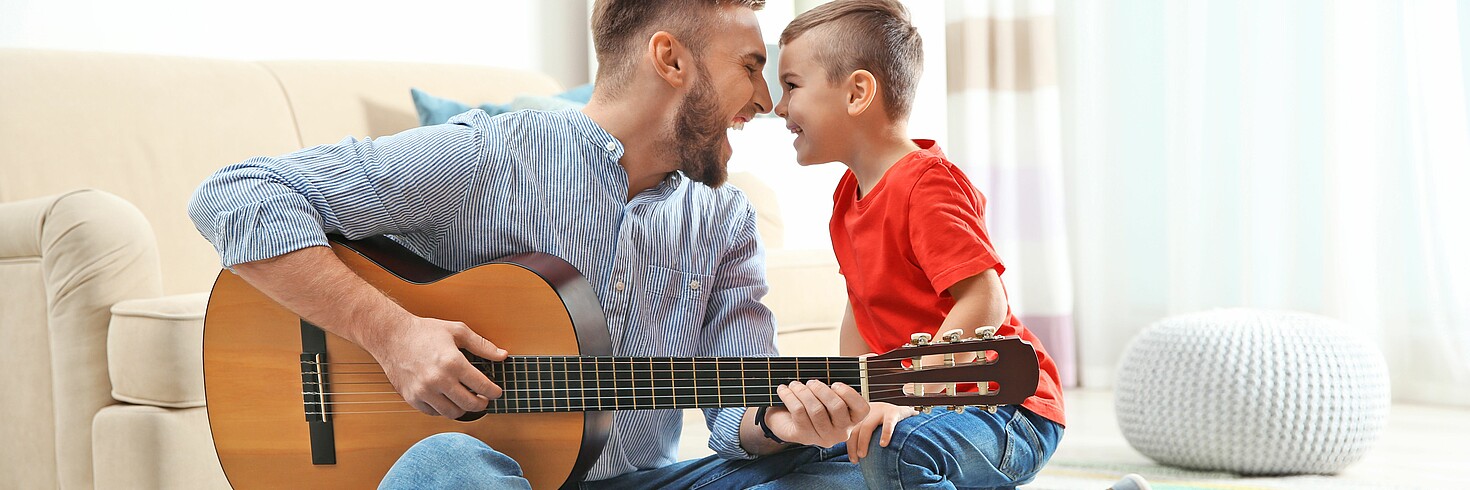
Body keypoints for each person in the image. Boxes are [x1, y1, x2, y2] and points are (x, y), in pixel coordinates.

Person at [187, 1, 873, 488]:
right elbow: (235, 194)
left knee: (837, 472)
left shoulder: (724, 220)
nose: (768, 100)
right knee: (450, 466)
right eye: (751, 66)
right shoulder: (489, 156)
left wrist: (782, 424)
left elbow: (735, 413)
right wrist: (392, 333)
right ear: (670, 59)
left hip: (641, 480)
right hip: (471, 475)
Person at [771, 0, 1067, 488]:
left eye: (792, 86)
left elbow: (984, 297)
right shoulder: (847, 198)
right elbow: (862, 310)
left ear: (857, 93)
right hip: (930, 410)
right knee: (818, 458)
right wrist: (858, 401)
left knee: (894, 449)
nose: (780, 107)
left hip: (1007, 408)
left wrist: (907, 395)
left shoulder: (926, 184)